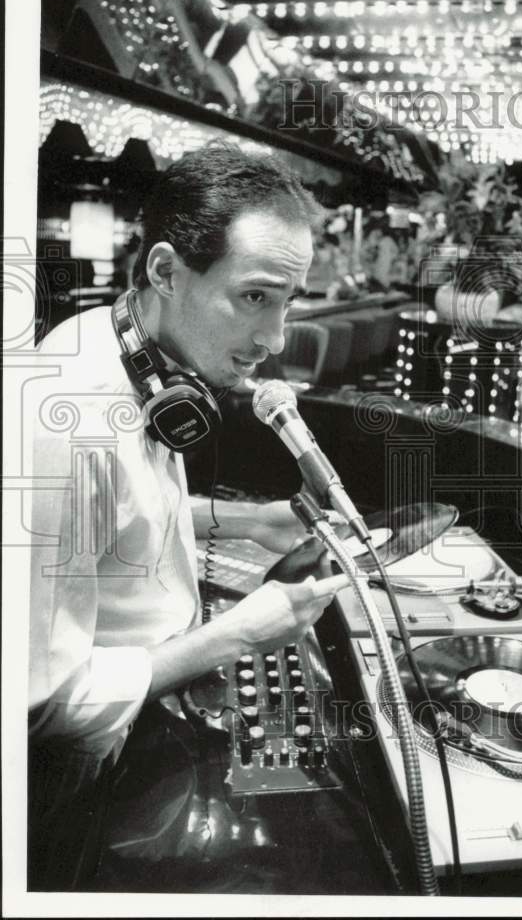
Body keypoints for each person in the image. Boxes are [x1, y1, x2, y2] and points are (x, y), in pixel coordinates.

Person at [27, 144, 345, 889]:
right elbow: (46, 706)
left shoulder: (138, 352)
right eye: (256, 297)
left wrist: (251, 521)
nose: (275, 341)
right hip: (77, 795)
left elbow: (124, 523)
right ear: (167, 272)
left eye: (289, 302)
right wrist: (238, 635)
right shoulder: (68, 420)